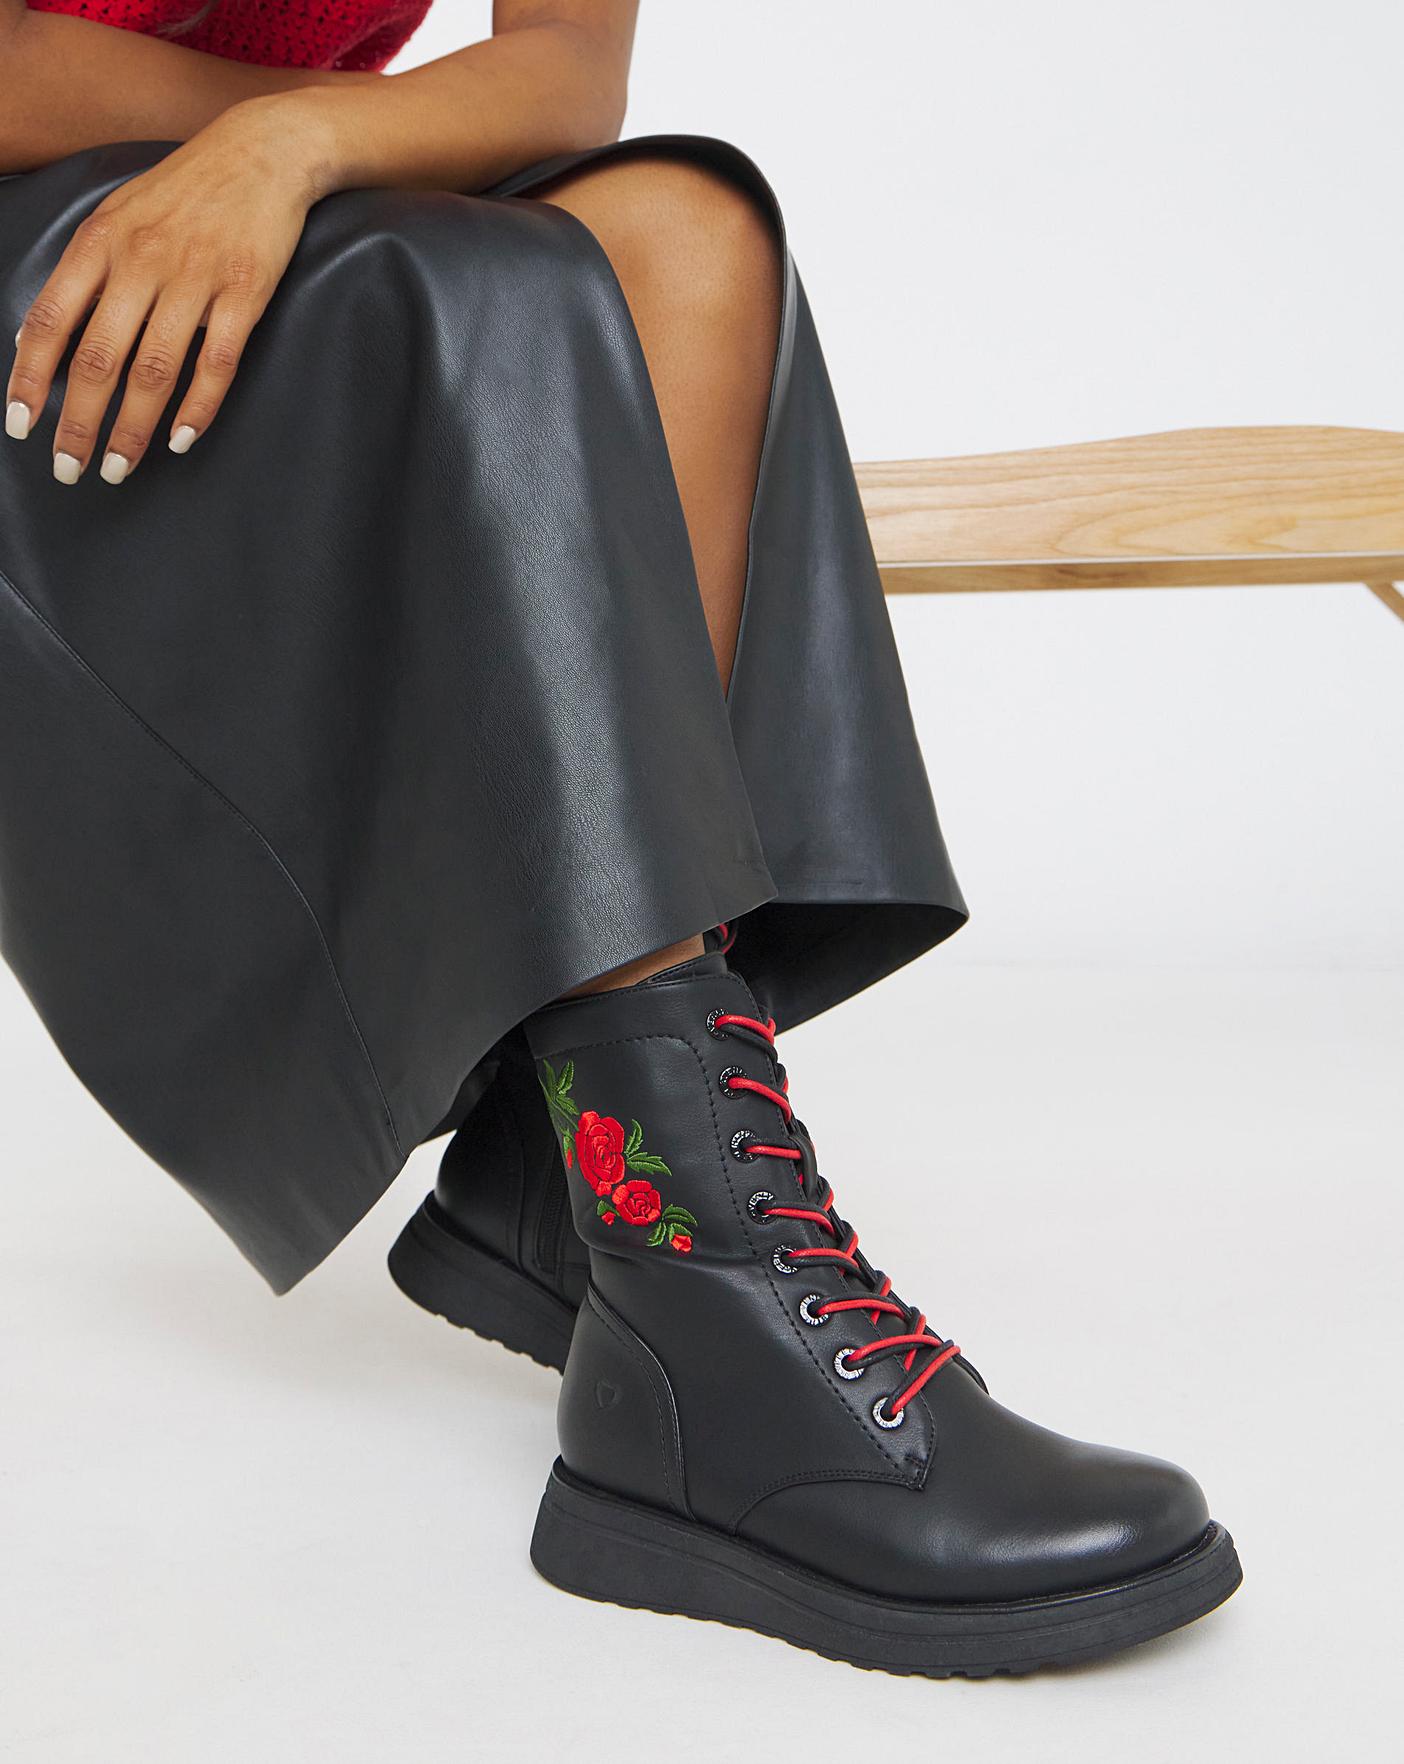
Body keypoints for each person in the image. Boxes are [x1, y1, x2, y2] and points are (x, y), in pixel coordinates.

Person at [0, 0, 1240, 1675]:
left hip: (267, 215)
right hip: (57, 302)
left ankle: (577, 1148)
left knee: (684, 230)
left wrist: (286, 144)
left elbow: (568, 76)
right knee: (496, 291)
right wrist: (271, 148)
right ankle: (695, 1296)